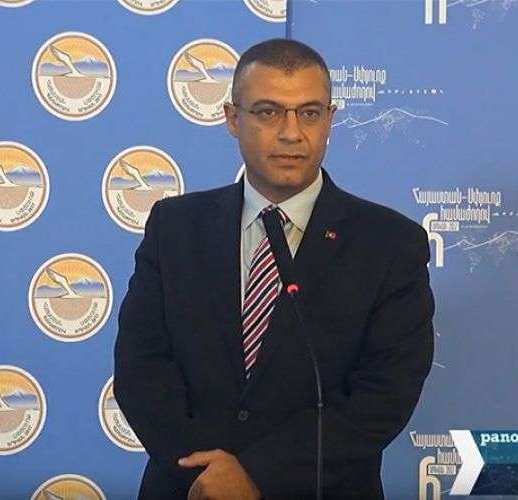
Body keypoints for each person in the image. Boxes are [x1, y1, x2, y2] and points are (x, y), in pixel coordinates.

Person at [114, 38, 434, 500]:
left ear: (330, 120)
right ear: (232, 119)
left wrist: (256, 476)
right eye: (268, 112)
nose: (291, 133)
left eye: (309, 113)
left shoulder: (390, 243)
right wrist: (208, 477)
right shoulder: (175, 227)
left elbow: (384, 395)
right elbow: (141, 367)